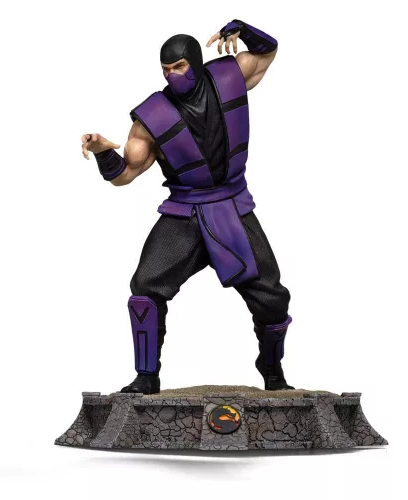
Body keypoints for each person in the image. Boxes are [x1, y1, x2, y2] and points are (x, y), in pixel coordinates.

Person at [82, 19, 294, 395]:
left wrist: (242, 29)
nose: (172, 75)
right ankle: (146, 377)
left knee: (273, 298)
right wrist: (102, 152)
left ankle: (273, 371)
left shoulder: (230, 77)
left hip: (232, 207)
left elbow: (267, 52)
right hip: (186, 213)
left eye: (178, 66)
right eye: (165, 69)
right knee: (145, 288)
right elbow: (125, 174)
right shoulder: (150, 120)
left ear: (195, 62)